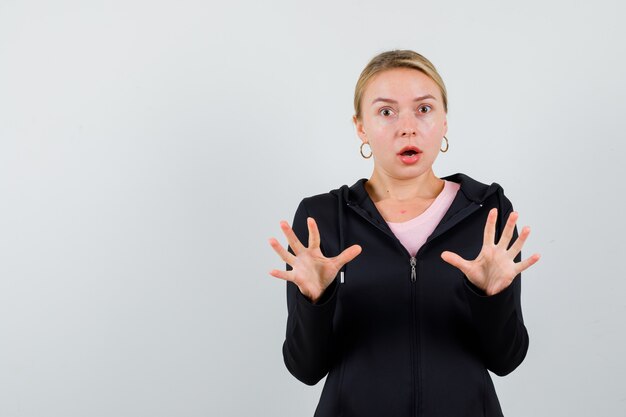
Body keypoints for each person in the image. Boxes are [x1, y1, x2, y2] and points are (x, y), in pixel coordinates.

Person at [268, 50, 540, 417]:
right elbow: (305, 369)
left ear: (444, 121)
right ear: (361, 126)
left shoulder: (487, 212)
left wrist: (491, 296)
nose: (407, 126)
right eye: (386, 112)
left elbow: (505, 360)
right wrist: (317, 300)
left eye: (424, 109)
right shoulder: (322, 220)